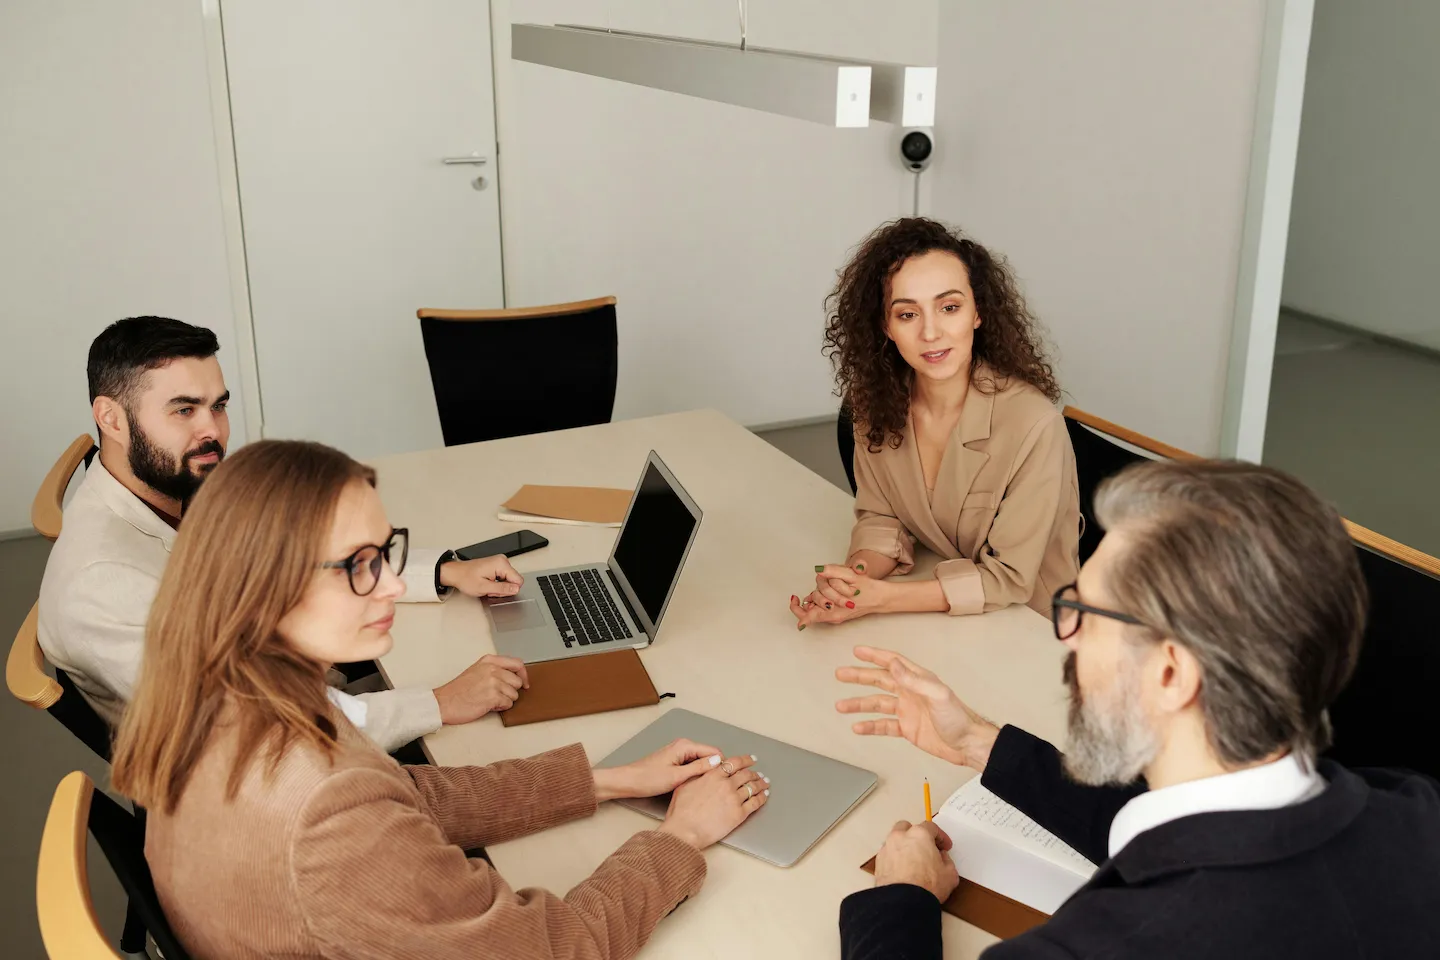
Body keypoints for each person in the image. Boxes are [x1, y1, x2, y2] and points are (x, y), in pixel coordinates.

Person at [110, 439, 770, 959]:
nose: (393, 586)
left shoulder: (218, 695)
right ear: (264, 586)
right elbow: (555, 951)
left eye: (385, 552)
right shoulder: (325, 809)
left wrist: (605, 782)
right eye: (358, 565)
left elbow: (403, 797)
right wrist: (681, 837)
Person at [835, 460, 1440, 960]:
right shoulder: (1417, 817)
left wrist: (903, 898)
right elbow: (1203, 832)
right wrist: (978, 743)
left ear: (1172, 673)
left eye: (1084, 614)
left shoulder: (1097, 946)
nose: (1063, 637)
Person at [38, 316, 531, 753]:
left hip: (297, 684)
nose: (213, 431)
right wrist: (439, 703)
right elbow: (266, 728)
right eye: (184, 410)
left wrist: (443, 572)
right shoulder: (102, 583)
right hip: (264, 774)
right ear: (111, 418)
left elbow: (294, 556)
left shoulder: (170, 487)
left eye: (218, 406)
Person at [791, 218, 1079, 631]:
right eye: (907, 314)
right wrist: (852, 584)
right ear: (885, 327)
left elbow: (1010, 579)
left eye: (949, 307)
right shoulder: (876, 406)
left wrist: (883, 600)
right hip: (948, 623)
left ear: (977, 312)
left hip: (1032, 630)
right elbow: (880, 517)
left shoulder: (1035, 426)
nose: (930, 332)